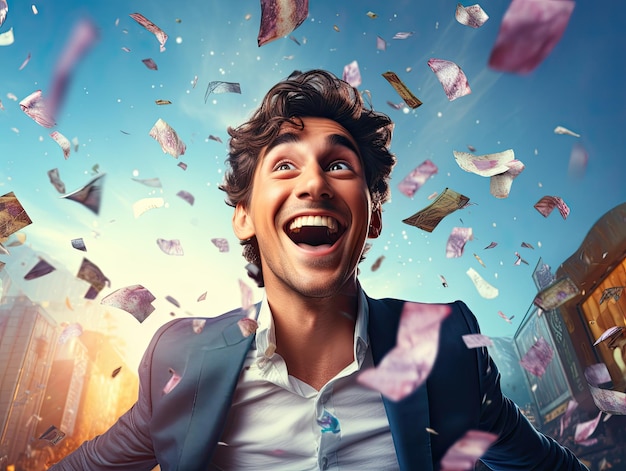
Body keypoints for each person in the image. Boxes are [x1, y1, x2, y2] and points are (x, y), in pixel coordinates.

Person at [49, 70, 589, 470]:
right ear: (243, 217)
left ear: (372, 217)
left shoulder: (445, 346)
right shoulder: (177, 358)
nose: (314, 183)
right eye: (285, 165)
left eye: (338, 164)